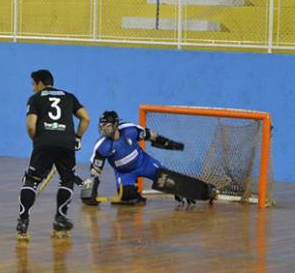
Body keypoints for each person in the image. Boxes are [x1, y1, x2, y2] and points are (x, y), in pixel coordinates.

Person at [81, 110, 217, 207]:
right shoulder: (101, 147)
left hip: (144, 163)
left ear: (115, 125)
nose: (104, 129)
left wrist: (170, 144)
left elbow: (151, 136)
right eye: (102, 126)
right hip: (124, 173)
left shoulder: (130, 130)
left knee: (170, 180)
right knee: (127, 198)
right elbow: (95, 170)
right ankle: (133, 193)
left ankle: (207, 191)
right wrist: (91, 190)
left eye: (107, 126)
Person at [16, 69, 90, 241]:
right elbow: (86, 118)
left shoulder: (35, 98)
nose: (33, 89)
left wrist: (39, 141)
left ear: (40, 83)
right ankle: (60, 219)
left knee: (31, 180)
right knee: (67, 180)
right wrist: (77, 138)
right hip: (66, 143)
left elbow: (31, 126)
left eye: (33, 85)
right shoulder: (69, 96)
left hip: (43, 142)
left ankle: (23, 220)